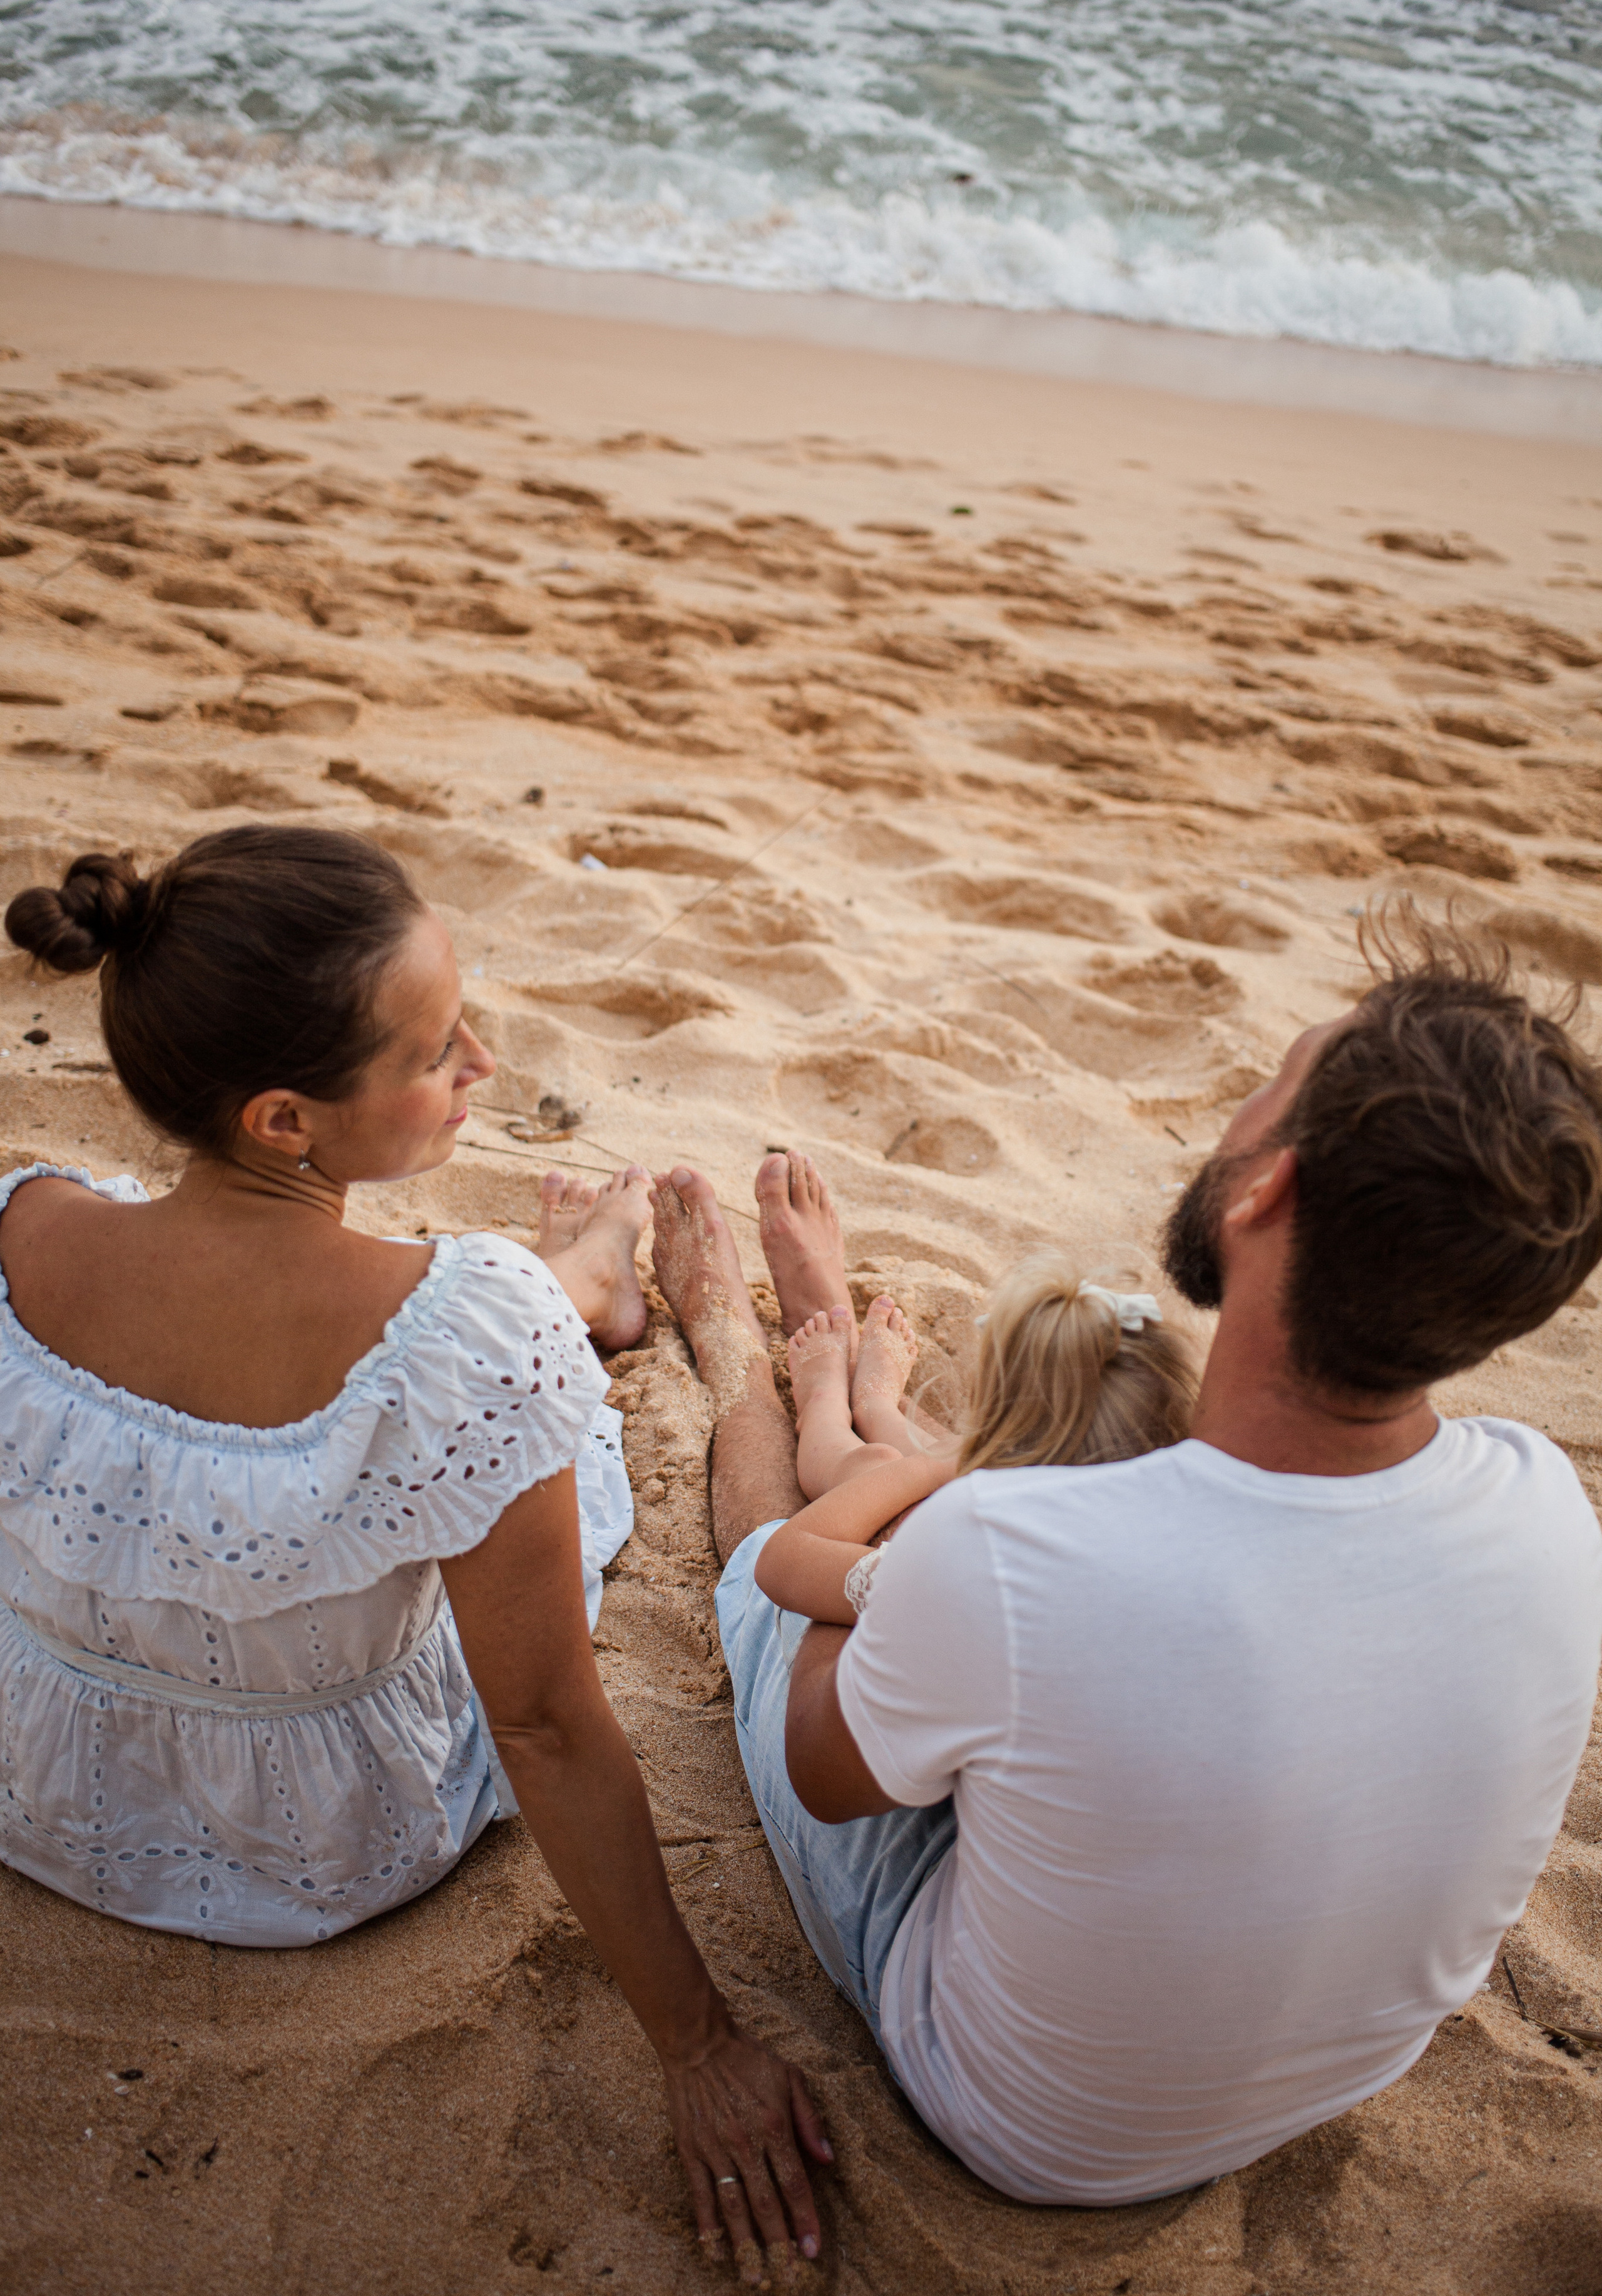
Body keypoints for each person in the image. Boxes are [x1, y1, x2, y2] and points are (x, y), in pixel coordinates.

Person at [650, 917, 1602, 2208]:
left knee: (781, 1558)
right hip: (1320, 2076)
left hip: (1022, 2122)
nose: (1241, 1110)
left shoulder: (1009, 1555)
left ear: (1266, 1191)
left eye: (1269, 1084)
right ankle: (868, 1393)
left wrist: (908, 1524)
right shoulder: (1544, 1497)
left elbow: (825, 1772)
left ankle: (735, 1349)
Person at [0, 828, 827, 2275]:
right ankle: (590, 1284)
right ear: (281, 1120)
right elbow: (543, 1722)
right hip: (309, 1843)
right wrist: (696, 2042)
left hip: (35, 1774)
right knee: (482, 1364)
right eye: (438, 1049)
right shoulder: (463, 1330)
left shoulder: (26, 1222)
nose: (485, 1065)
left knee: (465, 1359)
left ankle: (585, 1281)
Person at [756, 1262, 1195, 1625]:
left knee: (877, 1467)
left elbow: (781, 1564)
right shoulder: (1164, 1556)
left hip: (828, 1693)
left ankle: (825, 1407)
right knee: (923, 1466)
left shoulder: (971, 1574)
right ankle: (877, 1408)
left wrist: (933, 1467)